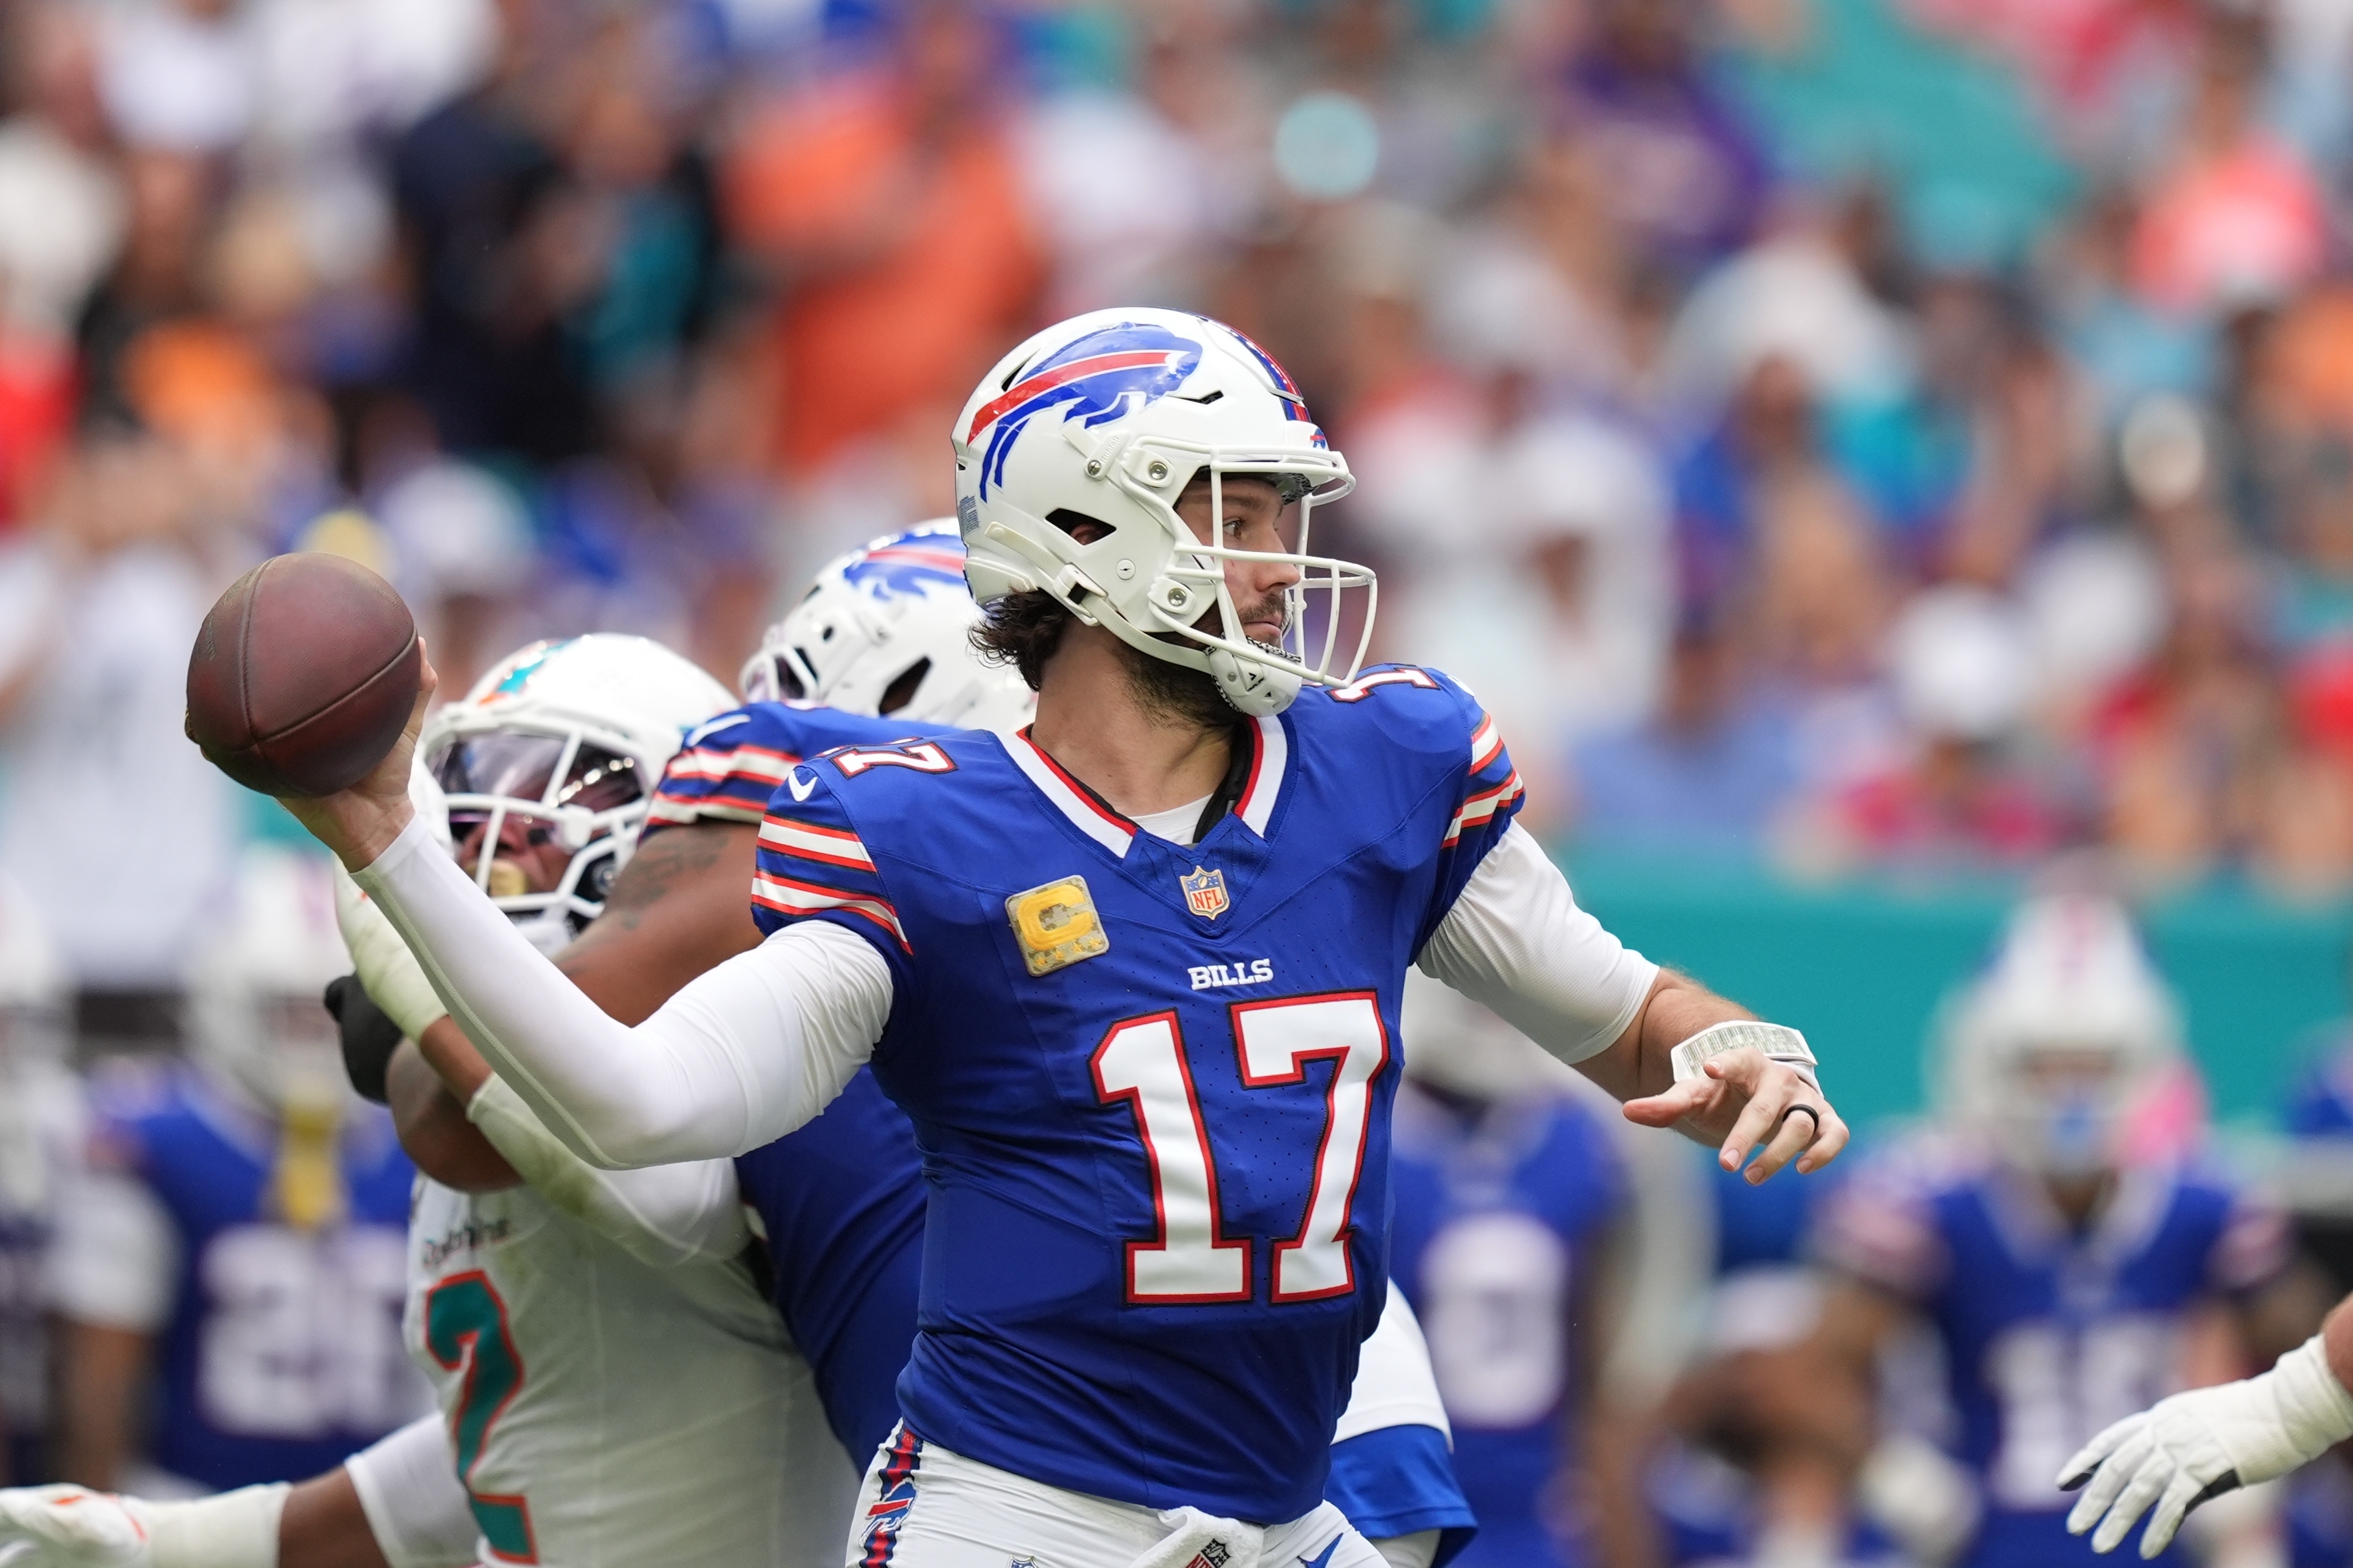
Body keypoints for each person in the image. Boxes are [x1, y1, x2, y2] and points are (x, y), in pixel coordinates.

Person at [274, 308, 1846, 1567]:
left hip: (1284, 1506)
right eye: (1232, 511)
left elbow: (1619, 1002)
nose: (1277, 560)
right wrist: (389, 849)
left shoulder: (1383, 761)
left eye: (1281, 511)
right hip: (1014, 1516)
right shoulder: (920, 826)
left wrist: (1733, 1039)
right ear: (1083, 530)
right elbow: (634, 1101)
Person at [1800, 894, 2318, 1567]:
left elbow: (2322, 1367)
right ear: (1990, 1058)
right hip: (1981, 1541)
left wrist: (2266, 1440)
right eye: (2044, 1062)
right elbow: (1807, 1374)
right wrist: (1891, 1469)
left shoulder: (2211, 1204)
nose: (2069, 1093)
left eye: (2092, 1062)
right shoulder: (1927, 1205)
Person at [47, 849, 426, 1497]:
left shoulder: (422, 1138)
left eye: (328, 1013)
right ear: (223, 996)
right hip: (190, 1502)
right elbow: (100, 1386)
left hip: (377, 1512)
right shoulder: (154, 1143)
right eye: (290, 1013)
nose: (312, 1039)